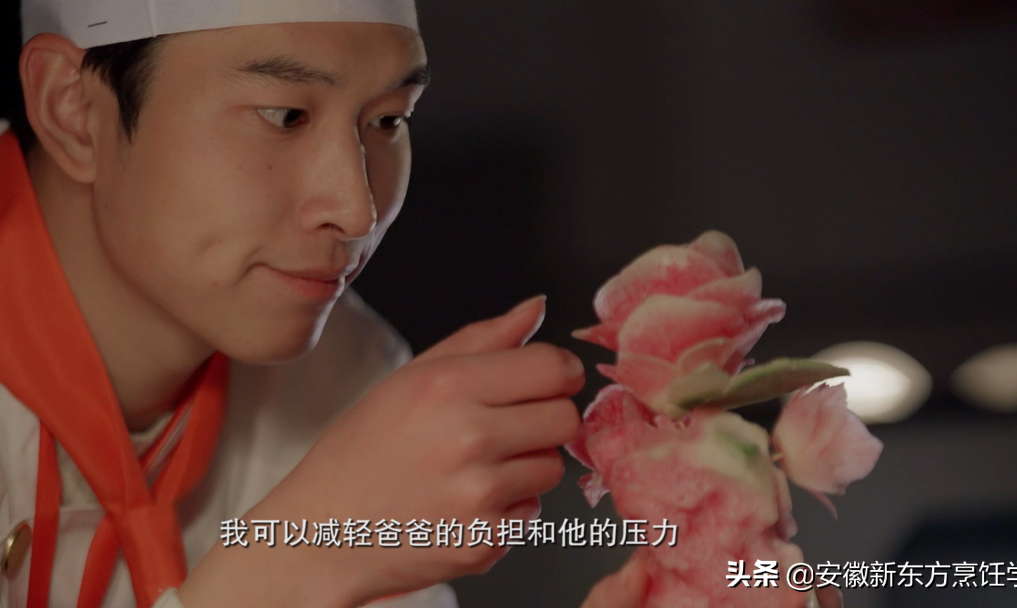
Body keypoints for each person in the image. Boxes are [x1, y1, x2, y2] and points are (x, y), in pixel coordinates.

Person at [0, 1, 652, 607]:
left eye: (388, 120)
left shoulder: (347, 375)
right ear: (72, 110)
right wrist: (298, 563)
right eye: (285, 116)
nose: (357, 209)